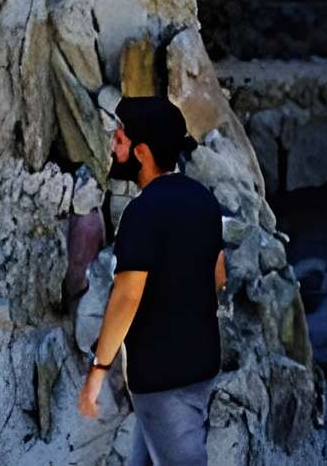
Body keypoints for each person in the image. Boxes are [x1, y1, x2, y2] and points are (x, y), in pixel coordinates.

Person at [80, 95, 226, 466]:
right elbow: (218, 276)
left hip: (162, 377)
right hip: (201, 364)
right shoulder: (204, 200)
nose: (113, 147)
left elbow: (127, 297)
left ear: (142, 151)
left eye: (120, 139)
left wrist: (98, 371)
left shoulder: (142, 212)